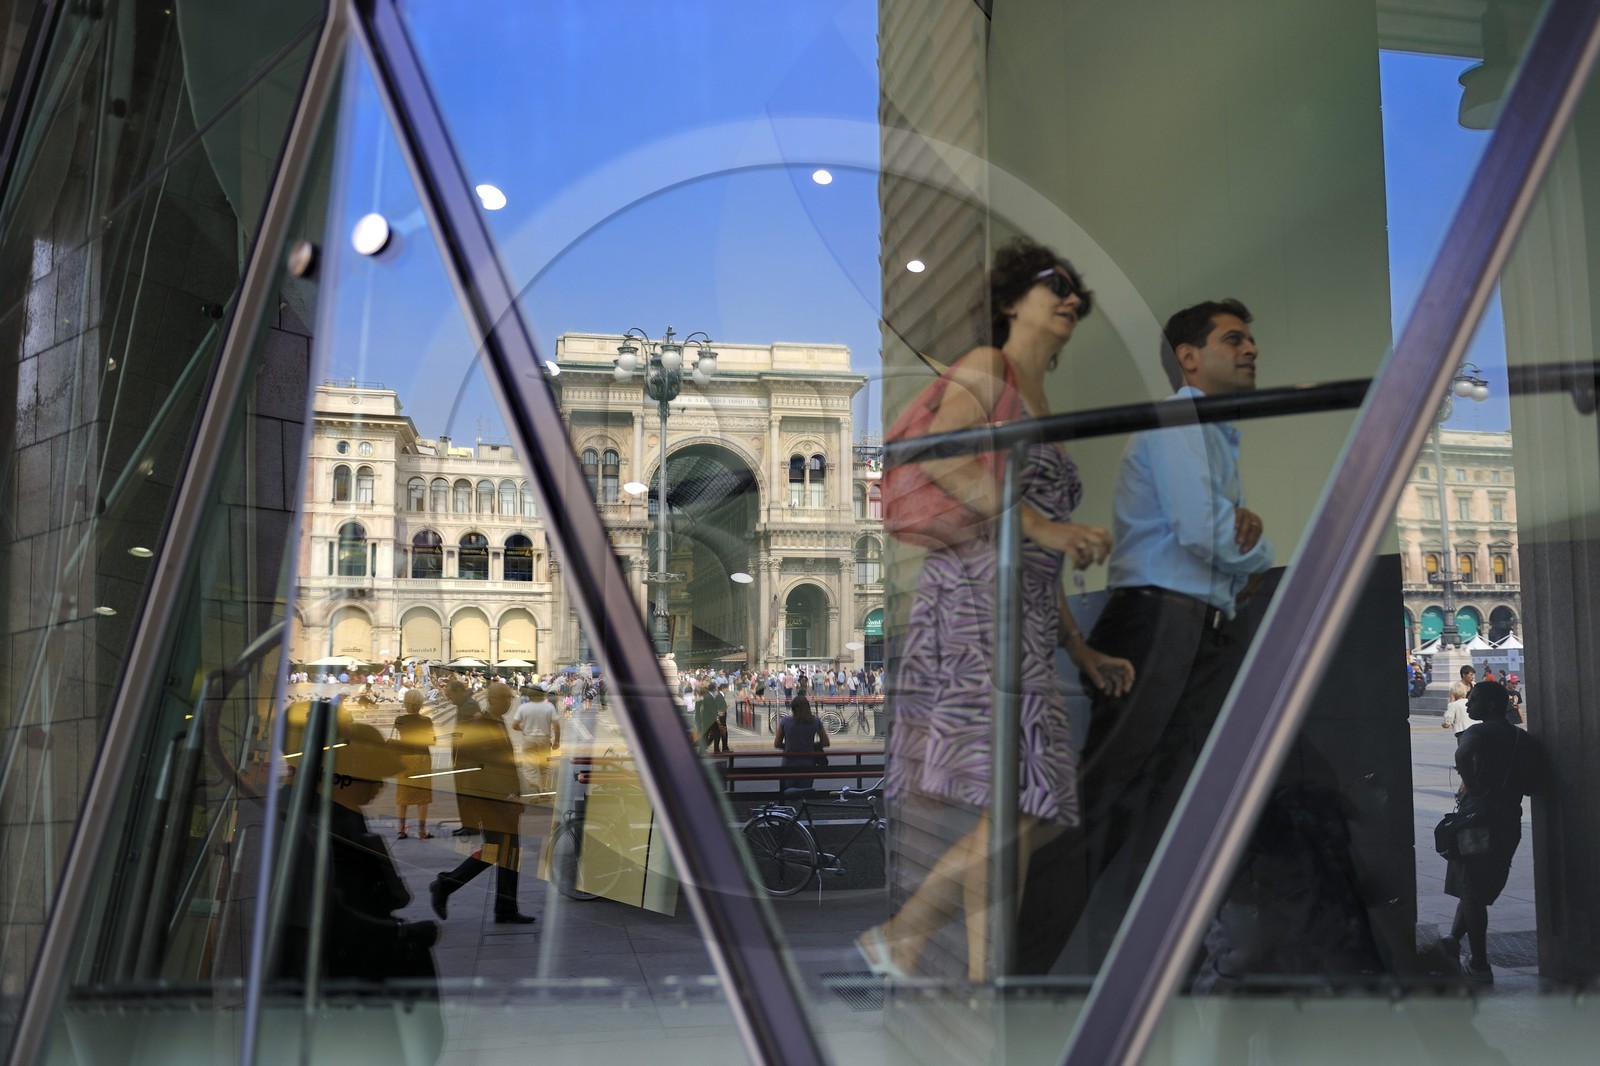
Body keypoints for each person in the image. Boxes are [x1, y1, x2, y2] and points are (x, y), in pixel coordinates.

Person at [863, 237, 1134, 981]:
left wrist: (1079, 649)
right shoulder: (990, 366)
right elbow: (945, 456)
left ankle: (982, 980)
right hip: (974, 604)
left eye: (1079, 289)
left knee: (1017, 811)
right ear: (1013, 300)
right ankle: (911, 933)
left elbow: (1040, 558)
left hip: (1023, 613)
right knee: (1026, 806)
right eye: (1057, 283)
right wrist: (1045, 526)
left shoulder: (1039, 399)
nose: (1072, 295)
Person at [1018, 298, 1275, 972]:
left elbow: (1220, 548)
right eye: (1234, 339)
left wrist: (1236, 549)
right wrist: (1253, 543)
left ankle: (1150, 978)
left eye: (1251, 340)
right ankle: (1019, 976)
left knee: (1166, 818)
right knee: (1104, 811)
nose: (1251, 350)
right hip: (1161, 628)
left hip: (1195, 631)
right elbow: (1208, 535)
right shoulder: (1179, 425)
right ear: (1189, 357)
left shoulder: (1214, 435)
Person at [275, 715, 440, 1032]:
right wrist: (397, 934)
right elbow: (329, 912)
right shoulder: (318, 823)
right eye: (374, 776)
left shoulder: (337, 815)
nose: (381, 786)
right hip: (343, 982)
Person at [1436, 681, 1542, 982]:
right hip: (1508, 818)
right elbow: (1533, 784)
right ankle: (1453, 942)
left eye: (1474, 699)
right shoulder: (1523, 739)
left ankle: (1480, 964)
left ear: (1493, 705)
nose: (1468, 705)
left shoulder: (1478, 732)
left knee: (1471, 888)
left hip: (1477, 820)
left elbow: (1462, 755)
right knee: (1478, 887)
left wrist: (1474, 783)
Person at [429, 682, 535, 924]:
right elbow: (480, 770)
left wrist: (516, 793)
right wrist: (506, 795)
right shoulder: (482, 725)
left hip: (503, 801)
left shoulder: (496, 723)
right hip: (493, 803)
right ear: (492, 699)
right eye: (504, 698)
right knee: (498, 851)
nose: (508, 703)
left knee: (504, 852)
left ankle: (504, 908)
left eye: (510, 698)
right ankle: (446, 885)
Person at [392, 688, 436, 839]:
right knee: (422, 798)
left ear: (405, 703)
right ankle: (422, 831)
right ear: (420, 703)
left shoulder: (400, 720)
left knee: (402, 796)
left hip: (404, 758)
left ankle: (401, 830)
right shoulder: (426, 721)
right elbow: (431, 741)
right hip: (422, 758)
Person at [444, 679, 484, 836]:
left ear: (458, 691)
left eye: (450, 695)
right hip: (461, 756)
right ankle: (467, 823)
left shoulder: (470, 705)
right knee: (462, 793)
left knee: (467, 794)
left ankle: (471, 825)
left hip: (468, 757)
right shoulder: (463, 705)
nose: (448, 698)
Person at [510, 683, 560, 800]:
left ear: (529, 696)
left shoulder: (523, 707)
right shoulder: (549, 707)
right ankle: (544, 791)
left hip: (528, 739)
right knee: (544, 767)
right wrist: (557, 741)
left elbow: (514, 725)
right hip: (544, 739)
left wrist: (523, 728)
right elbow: (556, 726)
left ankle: (534, 792)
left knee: (529, 767)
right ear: (543, 695)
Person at [774, 694, 829, 790]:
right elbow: (826, 742)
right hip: (808, 763)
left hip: (789, 763)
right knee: (804, 792)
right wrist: (811, 746)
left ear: (793, 708)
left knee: (788, 792)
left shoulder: (785, 721)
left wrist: (790, 746)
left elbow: (777, 744)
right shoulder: (815, 721)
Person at [697, 680, 730, 754]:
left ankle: (714, 749)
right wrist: (718, 714)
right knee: (710, 734)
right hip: (710, 719)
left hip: (710, 719)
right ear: (714, 689)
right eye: (716, 687)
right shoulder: (708, 696)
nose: (717, 689)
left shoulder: (709, 696)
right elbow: (710, 708)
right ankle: (710, 750)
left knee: (715, 734)